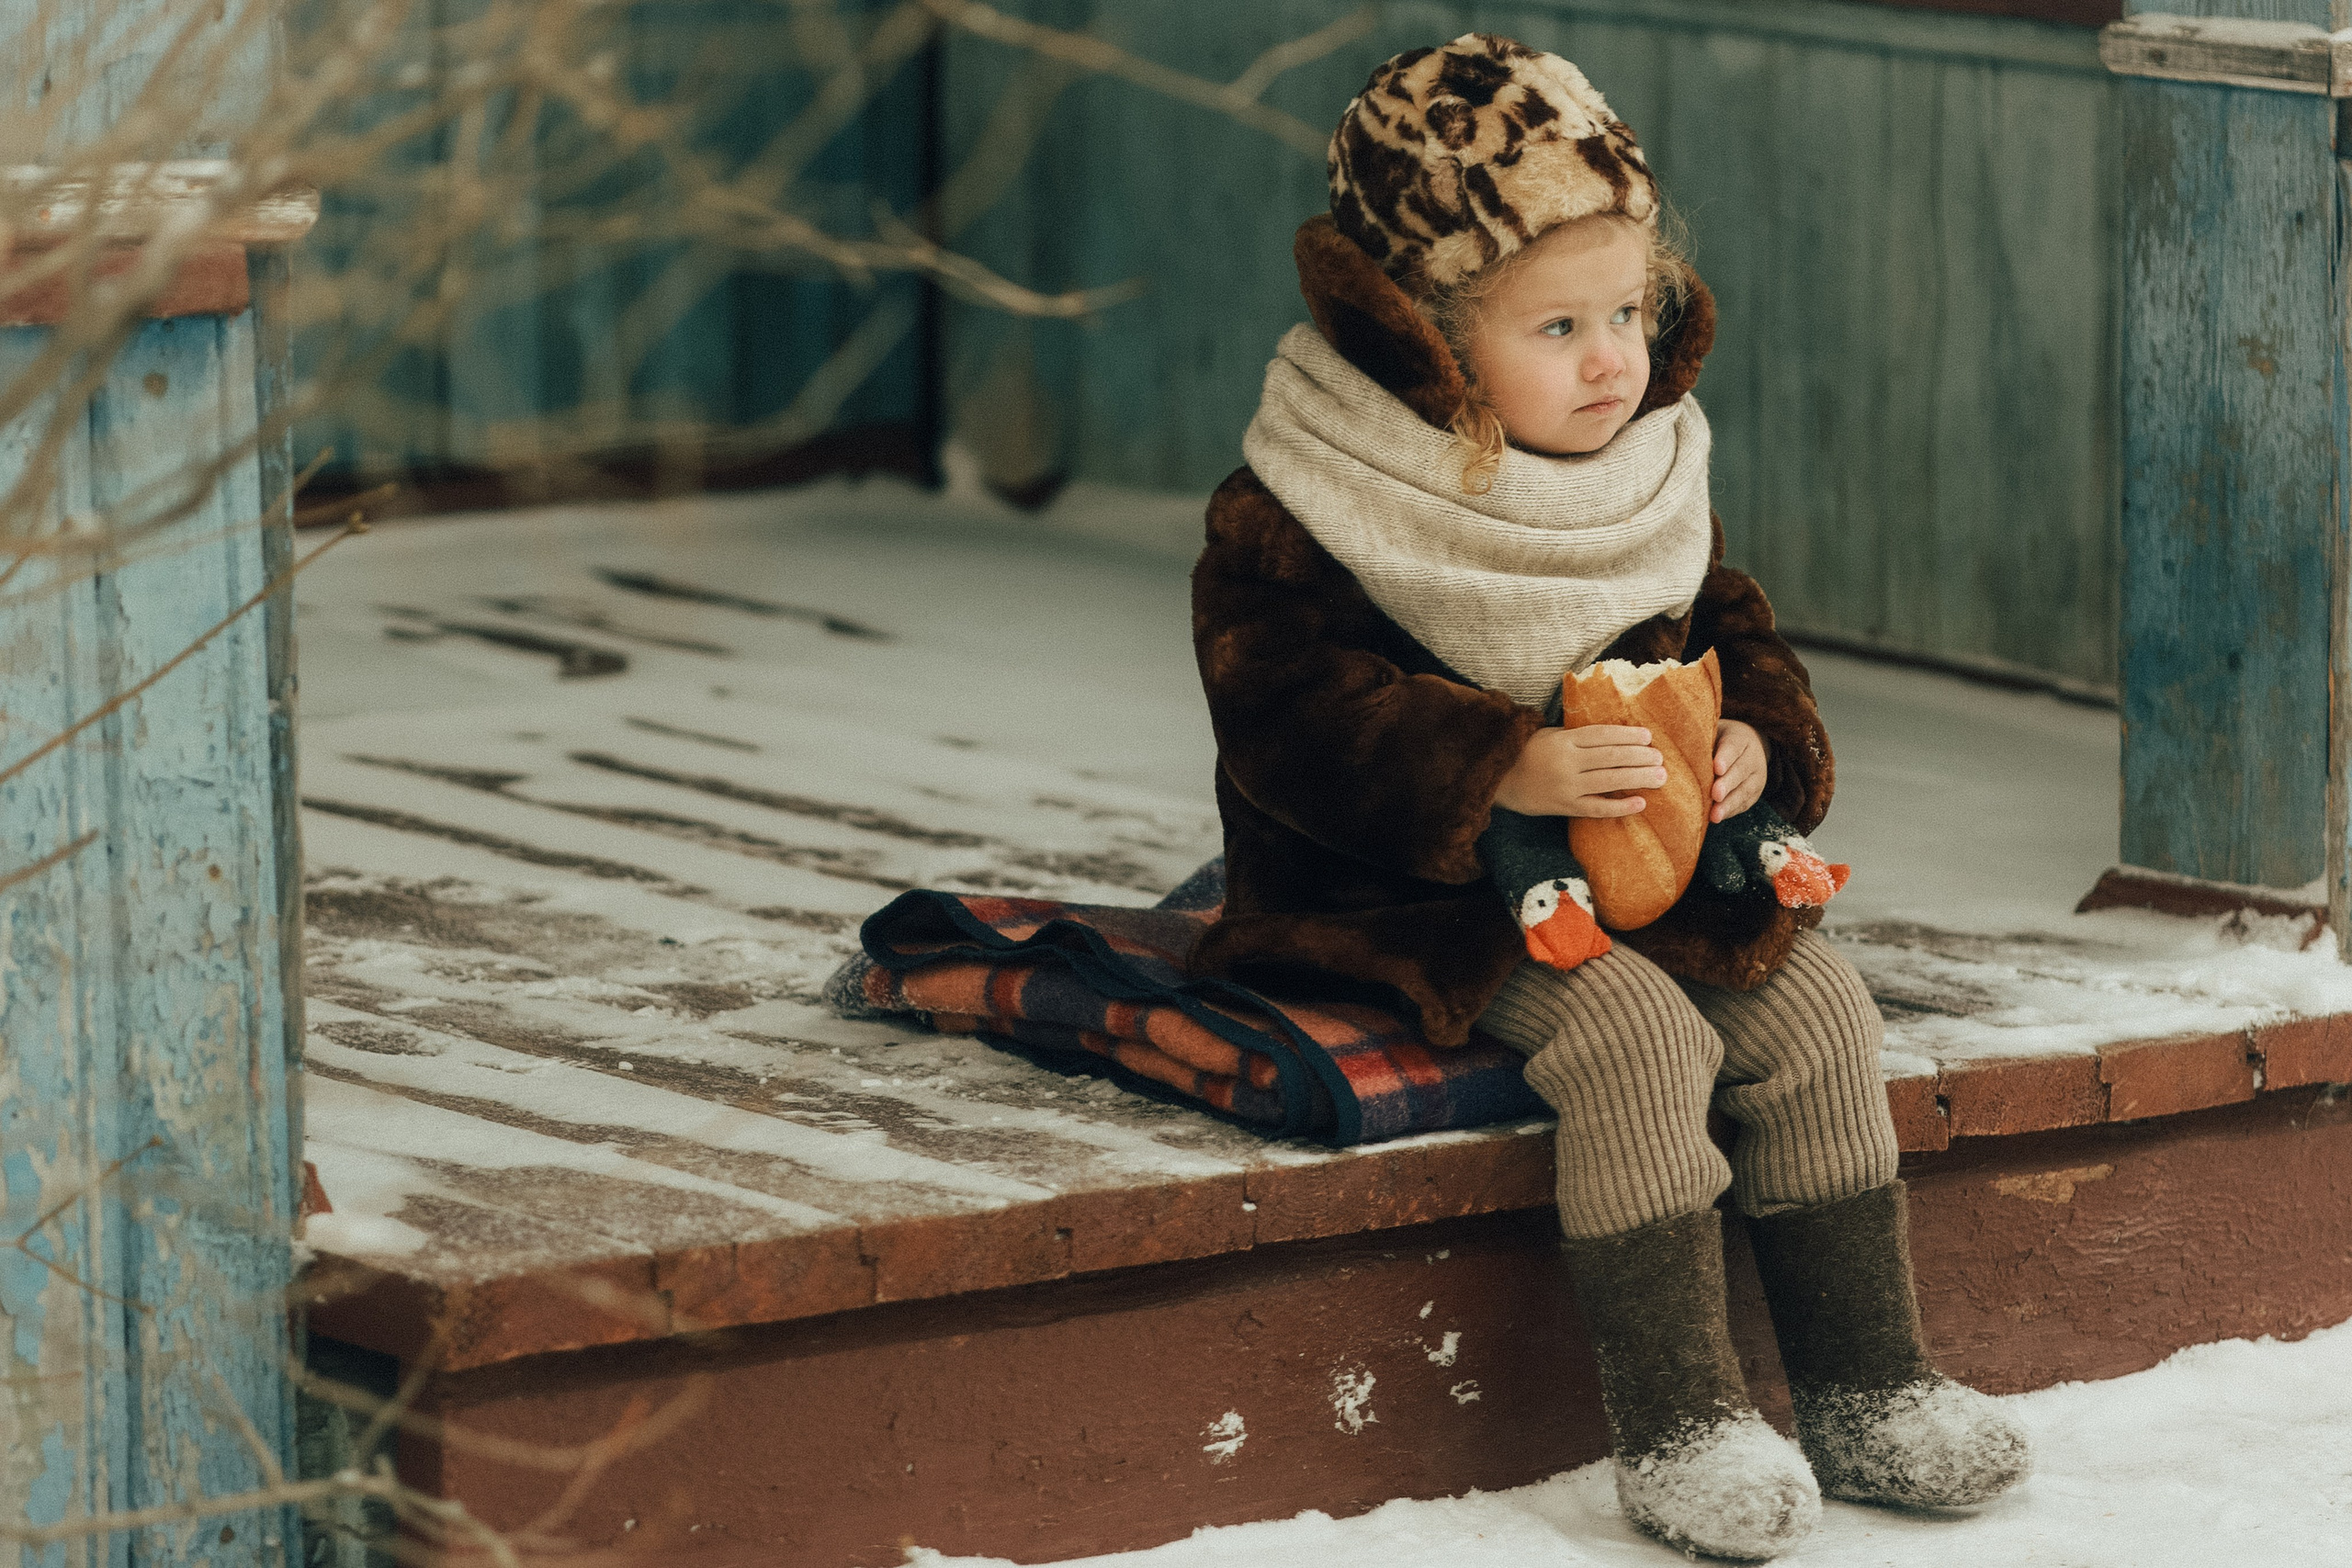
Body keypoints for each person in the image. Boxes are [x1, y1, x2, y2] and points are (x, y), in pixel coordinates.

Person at [1188, 33, 2030, 1562]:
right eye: (1558, 324)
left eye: (1628, 312)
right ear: (1427, 339)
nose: (1611, 359)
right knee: (1638, 1040)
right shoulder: (1311, 495)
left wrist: (1756, 742)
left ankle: (1866, 1388)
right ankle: (1684, 1422)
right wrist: (1496, 761)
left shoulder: (1641, 470)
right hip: (1408, 895)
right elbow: (1283, 720)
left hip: (1646, 868)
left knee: (1819, 1014)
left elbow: (1733, 630)